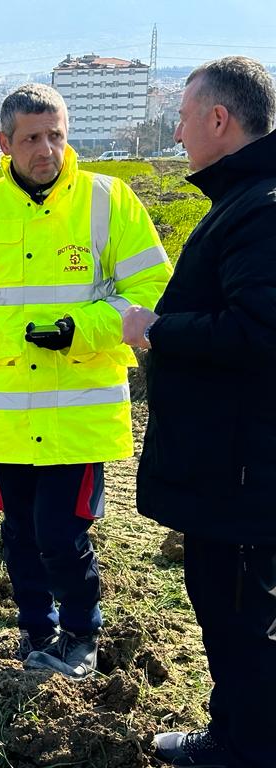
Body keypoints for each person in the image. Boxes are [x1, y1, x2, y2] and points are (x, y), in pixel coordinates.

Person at [0, 83, 171, 679]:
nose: (47, 149)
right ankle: (37, 632)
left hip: (79, 412)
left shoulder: (110, 201)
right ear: (4, 143)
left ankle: (82, 632)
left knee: (60, 533)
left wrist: (79, 328)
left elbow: (153, 293)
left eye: (56, 134)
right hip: (8, 416)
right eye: (32, 138)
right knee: (20, 534)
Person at [122, 56, 276, 768]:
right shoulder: (246, 198)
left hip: (244, 474)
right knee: (234, 608)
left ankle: (241, 748)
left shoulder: (261, 208)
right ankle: (239, 733)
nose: (177, 132)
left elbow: (259, 333)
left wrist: (156, 330)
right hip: (237, 464)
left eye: (184, 117)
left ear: (219, 119)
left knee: (239, 613)